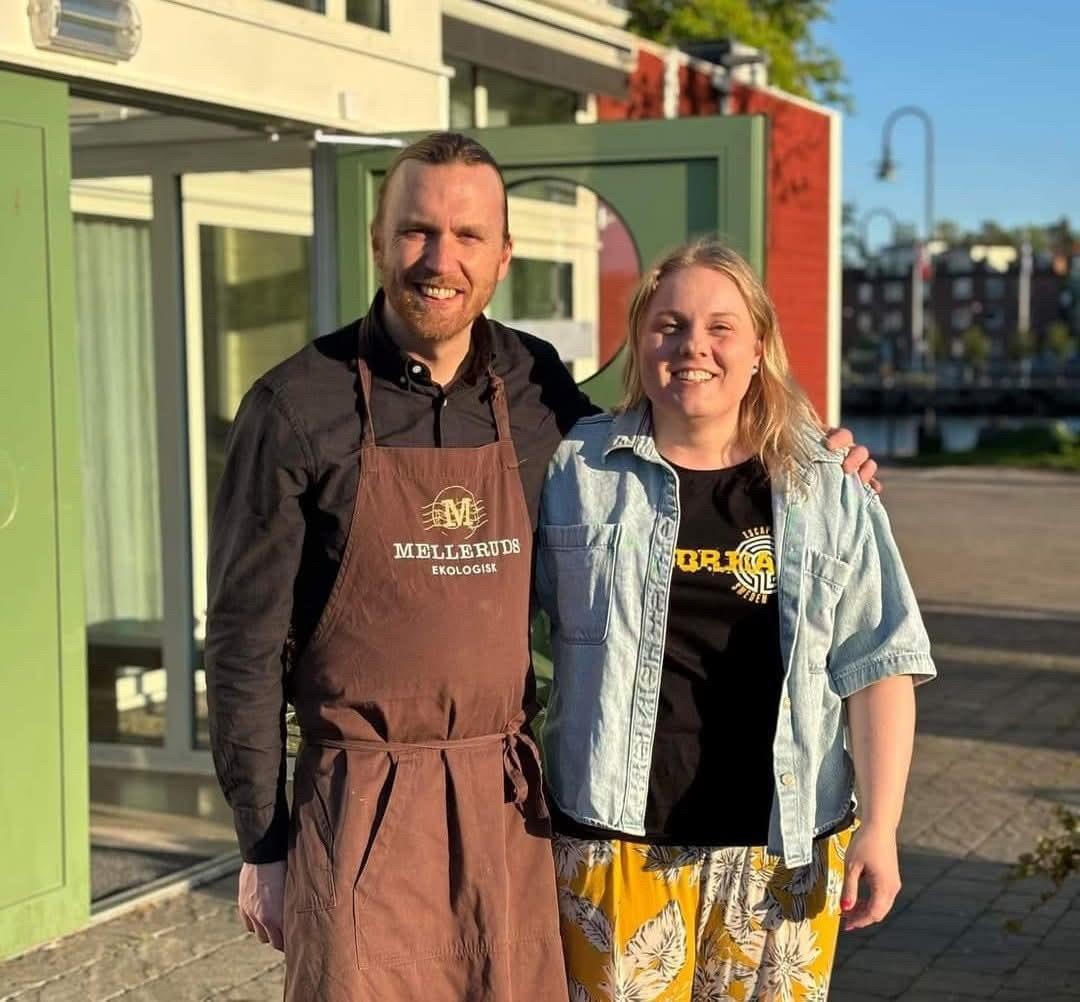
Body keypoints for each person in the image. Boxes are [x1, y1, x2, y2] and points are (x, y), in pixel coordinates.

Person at [205, 132, 879, 1001]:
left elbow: (667, 436)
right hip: (357, 802)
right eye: (416, 231)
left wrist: (813, 455)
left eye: (468, 235)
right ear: (378, 240)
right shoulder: (295, 407)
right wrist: (262, 845)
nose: (440, 260)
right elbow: (243, 645)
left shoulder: (535, 384)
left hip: (508, 809)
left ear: (503, 255)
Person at [535, 239, 935, 1001]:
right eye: (669, 325)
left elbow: (879, 664)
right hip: (614, 843)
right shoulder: (574, 471)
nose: (693, 346)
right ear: (640, 341)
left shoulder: (827, 485)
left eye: (721, 327)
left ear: (758, 348)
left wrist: (881, 828)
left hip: (785, 852)